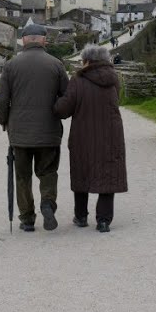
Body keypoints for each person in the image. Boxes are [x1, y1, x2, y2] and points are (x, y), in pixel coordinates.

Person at [0, 23, 68, 232]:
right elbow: (67, 96)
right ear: (44, 40)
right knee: (47, 172)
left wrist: (4, 121)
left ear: (24, 41)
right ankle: (47, 203)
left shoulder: (11, 65)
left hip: (20, 134)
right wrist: (58, 113)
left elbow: (2, 100)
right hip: (49, 131)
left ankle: (27, 218)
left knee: (22, 177)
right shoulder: (56, 64)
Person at [53, 45, 127, 232]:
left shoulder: (78, 80)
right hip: (111, 134)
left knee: (82, 171)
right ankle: (103, 221)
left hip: (83, 134)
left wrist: (55, 101)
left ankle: (81, 216)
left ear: (86, 61)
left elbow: (63, 110)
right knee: (108, 173)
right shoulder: (113, 79)